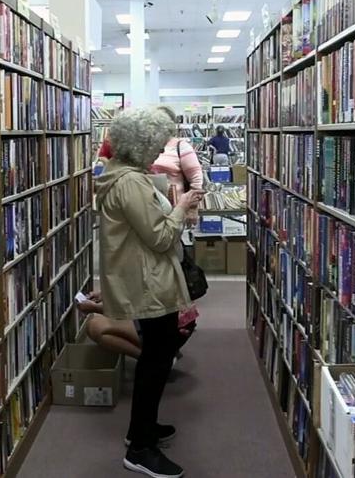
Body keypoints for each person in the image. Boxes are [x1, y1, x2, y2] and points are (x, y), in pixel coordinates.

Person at [96, 107, 203, 478]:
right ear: (141, 143)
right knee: (156, 358)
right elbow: (159, 237)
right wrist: (182, 206)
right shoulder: (130, 183)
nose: (160, 149)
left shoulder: (122, 175)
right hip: (149, 282)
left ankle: (141, 428)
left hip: (146, 277)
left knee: (155, 357)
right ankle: (140, 447)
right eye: (156, 142)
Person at [79, 290, 194, 360]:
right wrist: (103, 294)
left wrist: (95, 308)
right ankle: (162, 354)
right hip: (181, 321)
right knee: (105, 323)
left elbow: (127, 306)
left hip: (168, 326)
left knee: (94, 326)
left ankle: (155, 360)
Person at [151, 106, 204, 226]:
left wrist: (192, 208)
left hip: (174, 209)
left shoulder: (181, 146)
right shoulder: (148, 145)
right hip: (149, 207)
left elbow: (196, 179)